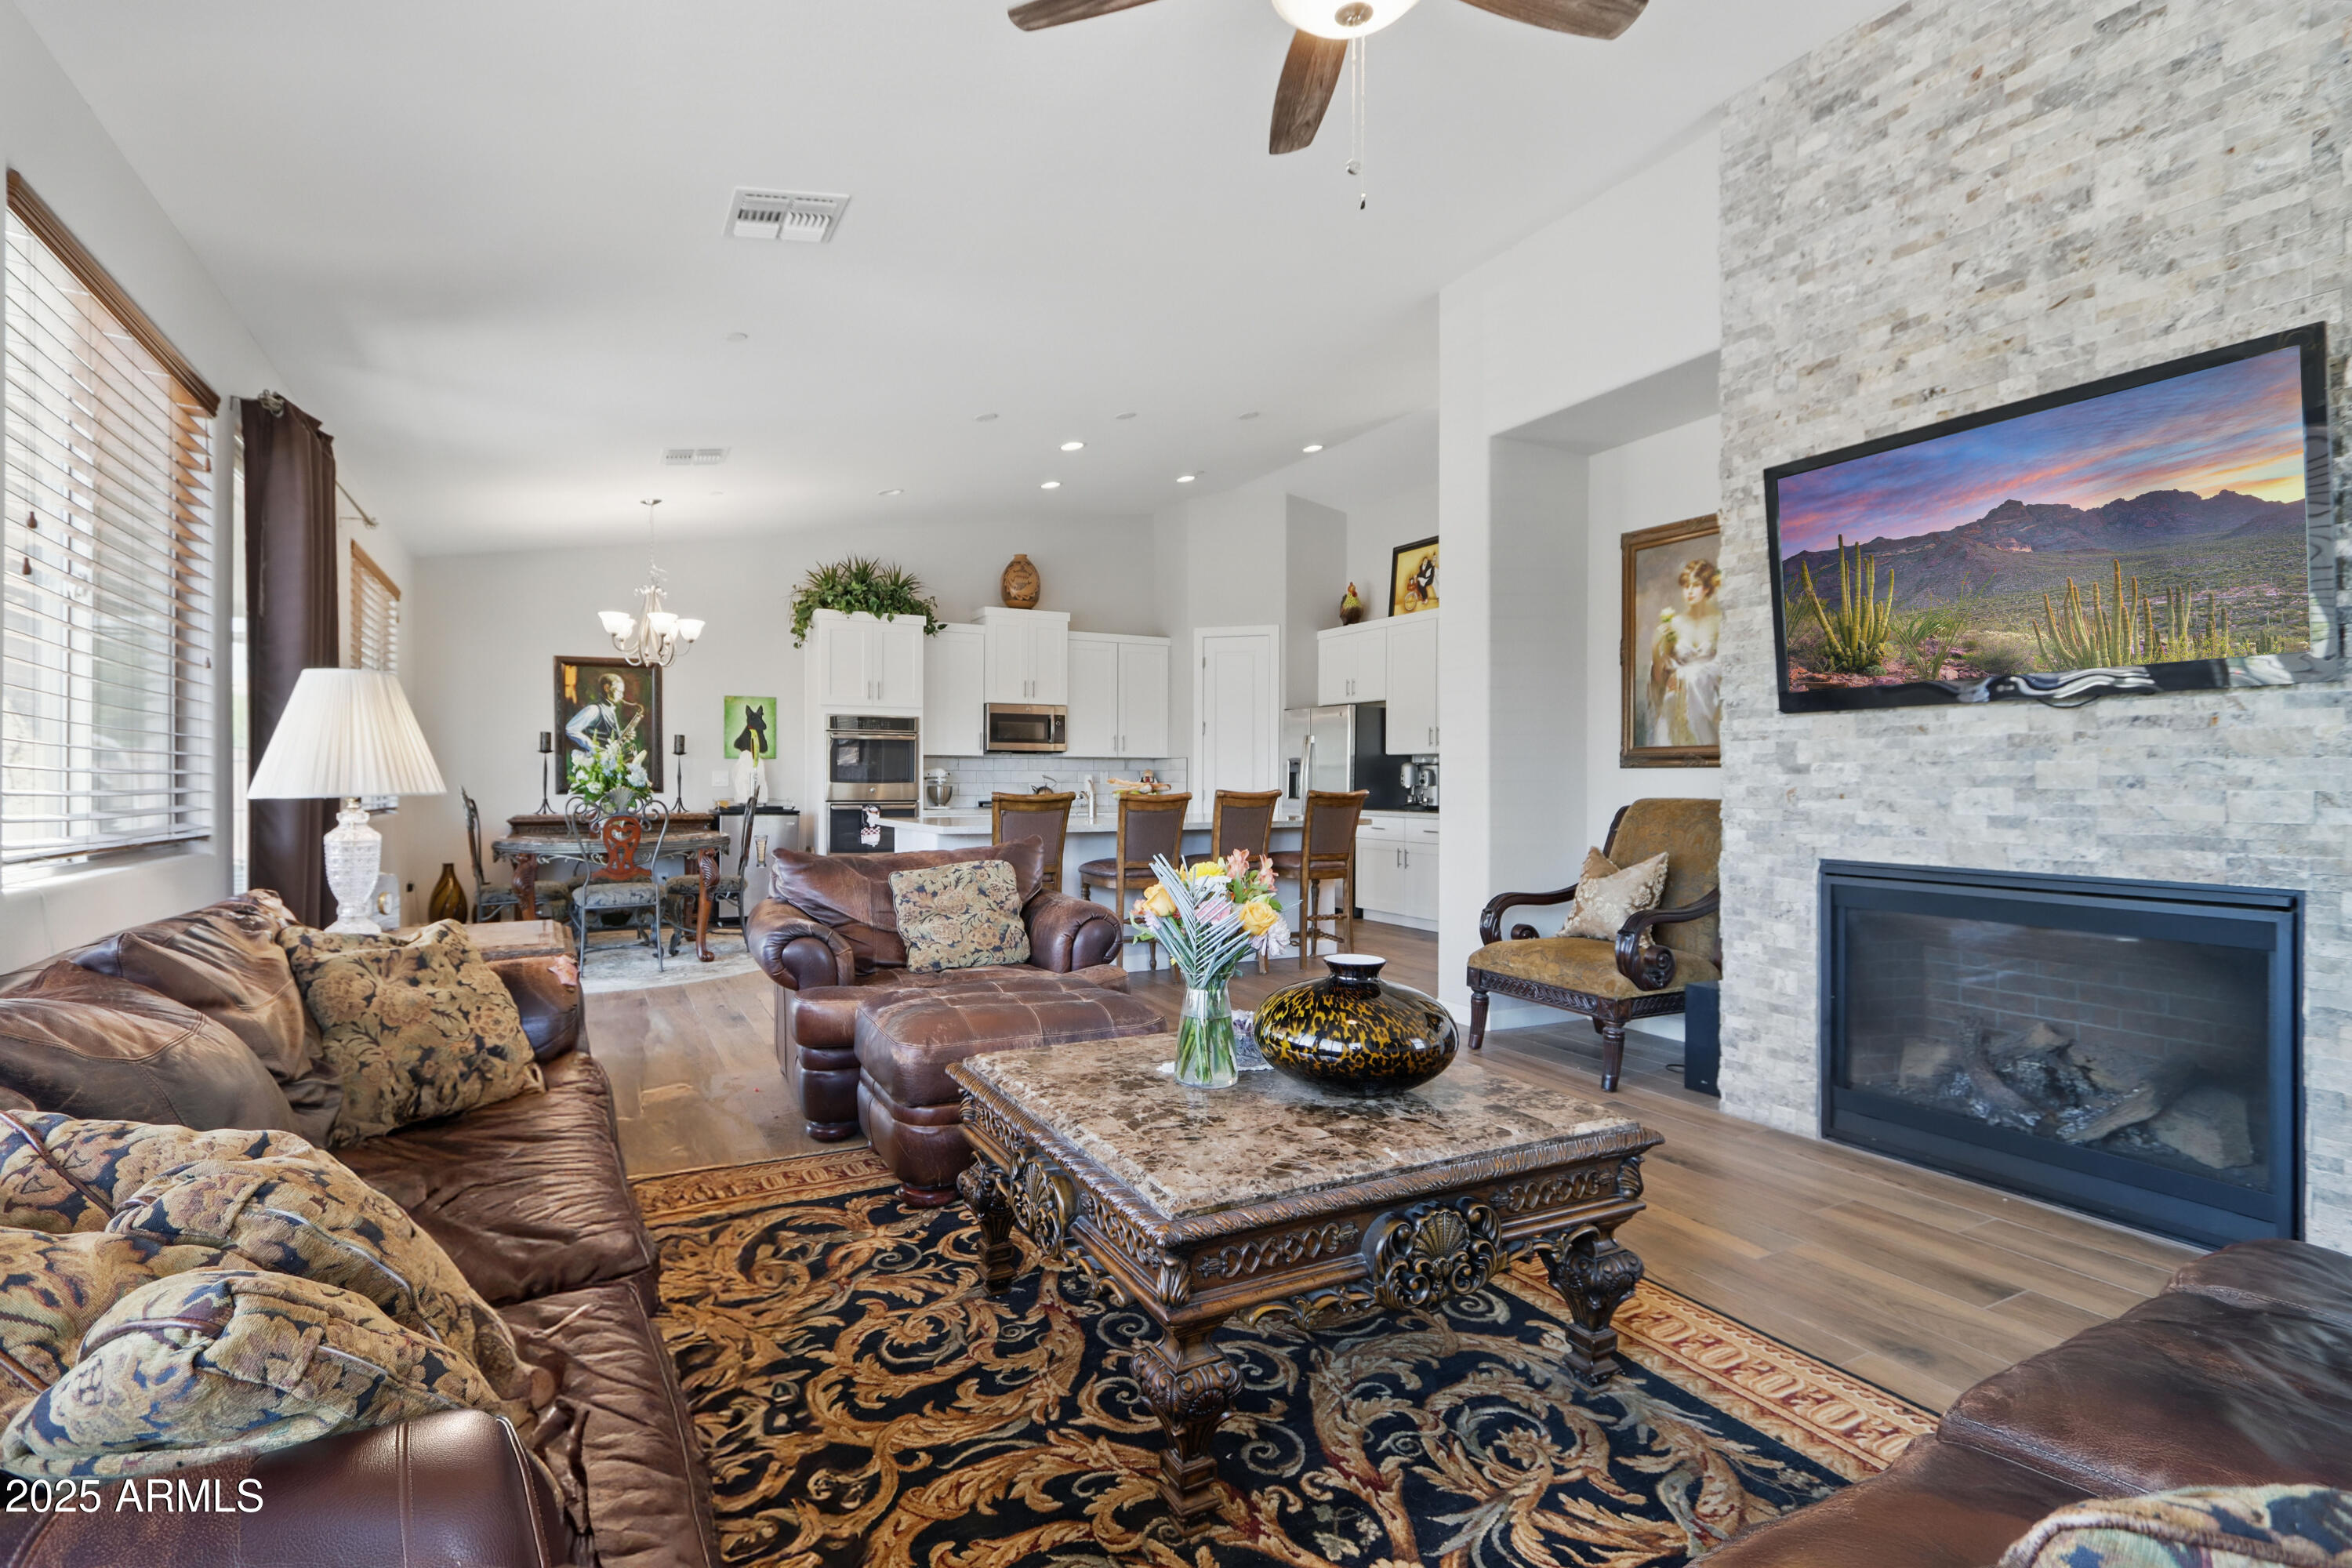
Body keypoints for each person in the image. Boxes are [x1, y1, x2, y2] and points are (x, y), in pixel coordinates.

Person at [1647, 557, 1722, 747]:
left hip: (1707, 697)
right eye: (1686, 585)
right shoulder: (1674, 624)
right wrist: (1656, 647)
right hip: (1676, 700)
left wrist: (1689, 674)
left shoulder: (1720, 620)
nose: (1689, 591)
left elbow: (1728, 665)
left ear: (1707, 588)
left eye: (1695, 585)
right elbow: (1659, 675)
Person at [566, 672, 643, 754]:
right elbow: (570, 729)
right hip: (596, 760)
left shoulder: (610, 709)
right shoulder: (593, 709)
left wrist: (622, 735)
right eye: (619, 692)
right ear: (607, 688)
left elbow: (605, 733)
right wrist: (594, 748)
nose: (622, 696)